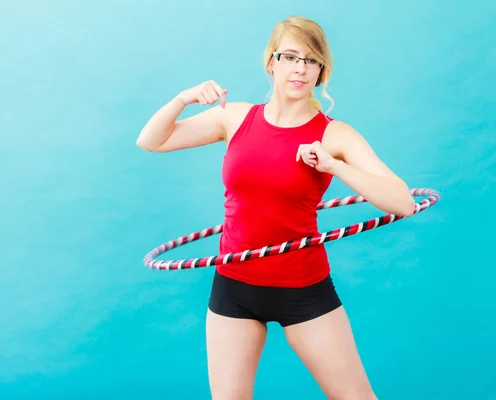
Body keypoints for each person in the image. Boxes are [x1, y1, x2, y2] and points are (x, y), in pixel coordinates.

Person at [136, 15, 414, 400]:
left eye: (311, 60)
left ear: (321, 71)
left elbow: (403, 202)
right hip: (233, 286)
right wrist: (182, 99)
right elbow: (151, 141)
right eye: (290, 56)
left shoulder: (334, 134)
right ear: (272, 62)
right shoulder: (235, 118)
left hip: (303, 288)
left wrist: (335, 165)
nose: (300, 68)